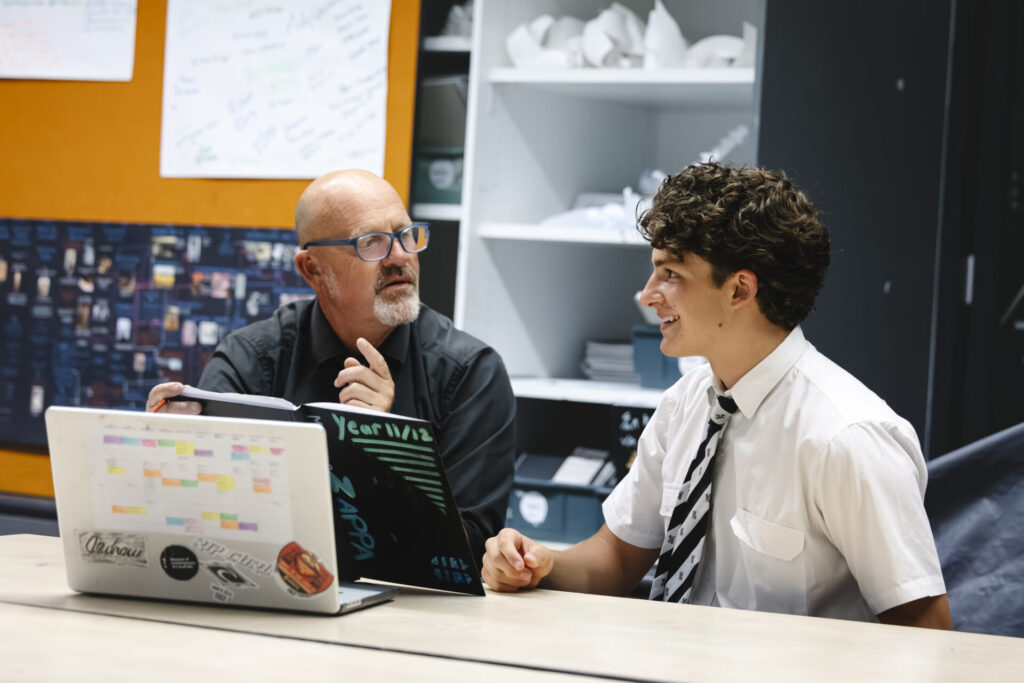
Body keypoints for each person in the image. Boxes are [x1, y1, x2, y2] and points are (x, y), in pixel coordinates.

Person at [481, 162, 952, 629]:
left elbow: (926, 632)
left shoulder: (847, 436)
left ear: (739, 289)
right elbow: (616, 558)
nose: (647, 294)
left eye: (670, 274)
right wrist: (538, 564)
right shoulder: (684, 404)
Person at [147, 169, 515, 561]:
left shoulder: (470, 374)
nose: (400, 256)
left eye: (406, 234)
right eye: (371, 242)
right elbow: (202, 513)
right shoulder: (251, 361)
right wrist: (161, 452)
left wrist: (385, 446)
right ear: (312, 269)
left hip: (406, 598)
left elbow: (469, 550)